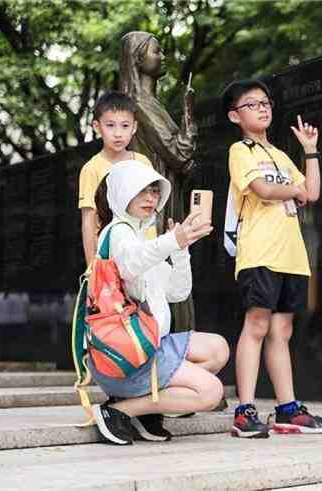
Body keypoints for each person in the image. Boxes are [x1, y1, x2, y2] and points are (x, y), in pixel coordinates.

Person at [222, 79, 322, 438]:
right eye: (252, 104)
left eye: (265, 103)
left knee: (282, 331)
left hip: (292, 255)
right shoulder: (240, 150)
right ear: (235, 116)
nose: (262, 108)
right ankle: (244, 411)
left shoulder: (284, 156)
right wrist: (293, 190)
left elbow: (311, 192)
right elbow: (263, 190)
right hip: (260, 252)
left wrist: (310, 151)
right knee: (256, 325)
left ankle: (288, 409)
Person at [90, 160, 229, 445]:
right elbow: (130, 265)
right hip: (127, 354)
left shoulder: (141, 237)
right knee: (211, 393)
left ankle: (146, 407)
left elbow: (177, 292)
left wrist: (180, 251)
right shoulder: (119, 232)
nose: (150, 198)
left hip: (150, 345)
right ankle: (119, 411)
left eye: (154, 191)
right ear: (123, 193)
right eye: (141, 191)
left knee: (218, 348)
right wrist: (172, 240)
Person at [120, 31, 197, 333]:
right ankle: (169, 344)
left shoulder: (150, 102)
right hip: (156, 204)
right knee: (163, 277)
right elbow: (179, 153)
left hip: (165, 197)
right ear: (138, 58)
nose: (163, 57)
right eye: (156, 51)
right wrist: (189, 111)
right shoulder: (139, 103)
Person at [79, 91, 154, 265]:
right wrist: (92, 268)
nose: (118, 133)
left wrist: (155, 252)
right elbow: (89, 221)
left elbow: (151, 212)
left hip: (144, 255)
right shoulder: (91, 169)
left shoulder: (142, 163)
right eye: (110, 125)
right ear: (97, 127)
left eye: (125, 126)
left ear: (134, 127)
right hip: (109, 257)